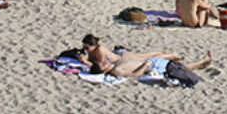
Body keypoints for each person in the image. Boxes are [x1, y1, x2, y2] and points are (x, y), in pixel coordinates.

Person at [76, 33, 212, 78]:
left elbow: (99, 65)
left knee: (149, 56)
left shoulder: (99, 52)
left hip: (125, 58)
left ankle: (172, 54)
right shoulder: (114, 69)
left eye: (86, 47)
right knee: (151, 57)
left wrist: (86, 62)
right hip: (139, 64)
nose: (84, 49)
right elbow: (100, 67)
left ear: (92, 45)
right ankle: (200, 62)